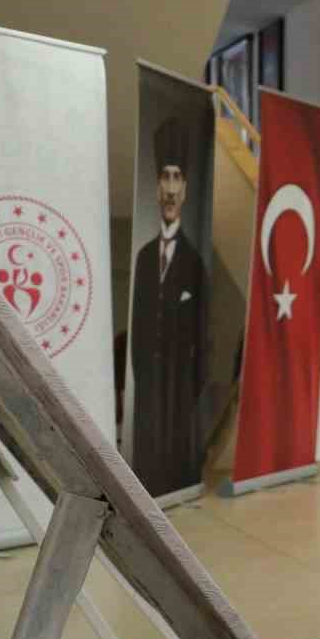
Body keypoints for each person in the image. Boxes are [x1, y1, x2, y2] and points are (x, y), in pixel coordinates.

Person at [129, 116, 207, 498]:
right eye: (165, 177)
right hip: (148, 388)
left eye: (178, 178)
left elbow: (202, 335)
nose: (171, 189)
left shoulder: (194, 262)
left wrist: (190, 388)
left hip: (179, 389)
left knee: (174, 461)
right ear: (157, 187)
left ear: (186, 189)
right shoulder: (143, 258)